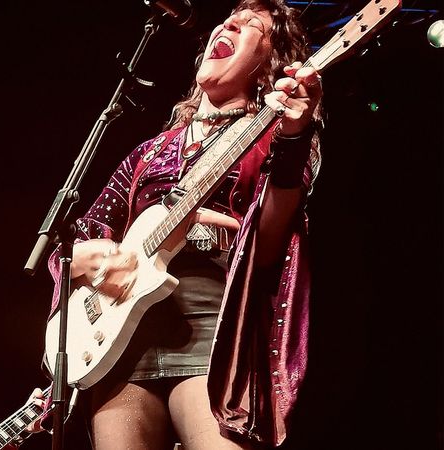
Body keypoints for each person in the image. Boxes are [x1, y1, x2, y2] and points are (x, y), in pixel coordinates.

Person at [45, 0, 321, 448]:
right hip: (120, 344)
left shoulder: (277, 134)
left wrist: (292, 139)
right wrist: (83, 258)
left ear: (269, 66)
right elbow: (78, 237)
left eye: (253, 25)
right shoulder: (149, 152)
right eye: (230, 17)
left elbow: (271, 244)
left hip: (212, 328)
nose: (230, 22)